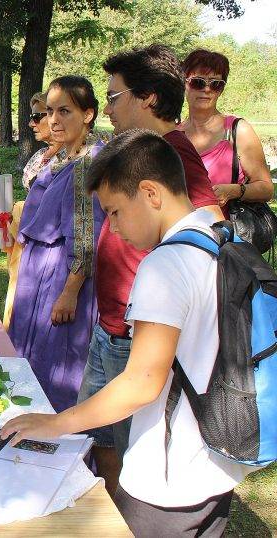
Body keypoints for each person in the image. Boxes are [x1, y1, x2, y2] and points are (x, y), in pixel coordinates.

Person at [2, 129, 254, 537]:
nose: (113, 228)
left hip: (168, 477)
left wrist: (56, 423)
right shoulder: (216, 235)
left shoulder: (163, 266)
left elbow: (141, 383)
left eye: (115, 211)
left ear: (151, 194)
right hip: (215, 461)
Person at [77, 45, 222, 495]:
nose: (109, 108)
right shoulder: (141, 152)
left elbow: (213, 224)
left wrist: (162, 274)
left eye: (115, 96)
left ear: (149, 99)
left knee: (130, 447)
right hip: (112, 324)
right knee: (101, 440)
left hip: (137, 333)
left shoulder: (172, 152)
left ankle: (123, 513)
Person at [7, 76, 105, 412]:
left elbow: (86, 232)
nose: (54, 120)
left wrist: (69, 291)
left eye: (65, 111)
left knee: (56, 363)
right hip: (40, 274)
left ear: (88, 114)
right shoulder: (61, 156)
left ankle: (54, 440)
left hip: (60, 277)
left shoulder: (88, 163)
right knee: (30, 359)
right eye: (50, 111)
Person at [179, 49, 273, 216]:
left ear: (221, 89)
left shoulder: (238, 130)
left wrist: (234, 191)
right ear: (184, 83)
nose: (207, 89)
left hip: (223, 236)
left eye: (216, 84)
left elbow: (266, 188)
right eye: (198, 82)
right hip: (178, 234)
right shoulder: (174, 134)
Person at [4, 91, 62, 328]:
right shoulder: (41, 154)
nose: (31, 123)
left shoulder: (69, 160)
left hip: (40, 245)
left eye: (37, 117)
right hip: (23, 235)